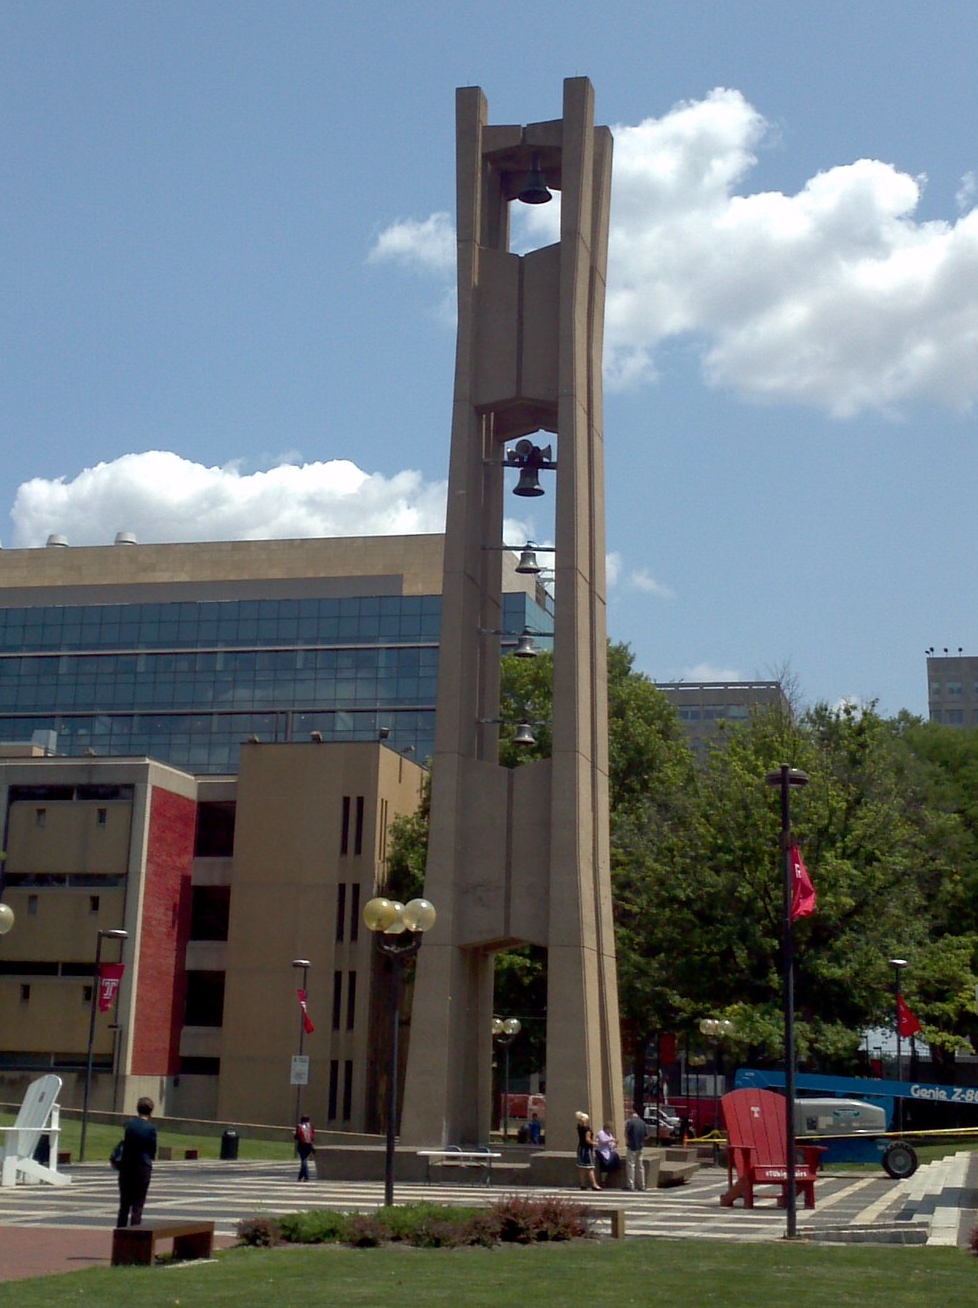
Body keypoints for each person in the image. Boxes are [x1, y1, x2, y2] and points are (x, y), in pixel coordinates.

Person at [116, 1096, 157, 1228]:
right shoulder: (150, 1128)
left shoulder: (129, 1125)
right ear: (151, 1111)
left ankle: (120, 1233)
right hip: (142, 1167)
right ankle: (134, 1233)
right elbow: (152, 1150)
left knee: (124, 1204)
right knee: (138, 1204)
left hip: (126, 1167)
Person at [624, 1108, 650, 1191]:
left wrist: (628, 1142)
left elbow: (626, 1134)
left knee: (631, 1165)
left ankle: (631, 1185)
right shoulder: (643, 1122)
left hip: (632, 1146)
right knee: (640, 1166)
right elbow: (646, 1135)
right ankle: (642, 1185)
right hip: (640, 1146)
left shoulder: (630, 1122)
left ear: (631, 1114)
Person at [575, 1111, 600, 1190]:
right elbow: (588, 1139)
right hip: (587, 1149)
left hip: (580, 1148)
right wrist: (594, 1143)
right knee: (590, 1168)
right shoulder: (587, 1129)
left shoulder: (579, 1127)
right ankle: (594, 1184)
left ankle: (583, 1184)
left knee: (581, 1167)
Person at [595, 1121, 621, 1188]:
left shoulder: (610, 1135)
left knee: (615, 1156)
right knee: (605, 1164)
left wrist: (615, 1143)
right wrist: (611, 1140)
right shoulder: (601, 1133)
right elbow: (602, 1141)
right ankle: (603, 1181)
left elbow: (612, 1146)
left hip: (608, 1151)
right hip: (601, 1151)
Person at [295, 1114, 315, 1181]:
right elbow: (312, 1135)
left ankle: (306, 1177)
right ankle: (300, 1177)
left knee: (304, 1160)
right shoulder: (310, 1126)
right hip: (309, 1145)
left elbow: (297, 1136)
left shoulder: (299, 1126)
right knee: (304, 1159)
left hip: (301, 1145)